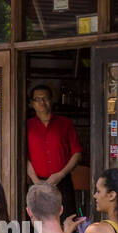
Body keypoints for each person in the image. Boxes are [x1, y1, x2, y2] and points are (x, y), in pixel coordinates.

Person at [26, 84, 84, 221]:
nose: (41, 102)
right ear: (31, 103)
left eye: (45, 98)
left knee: (67, 220)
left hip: (62, 181)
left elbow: (77, 153)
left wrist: (61, 174)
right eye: (37, 99)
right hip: (36, 181)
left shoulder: (65, 124)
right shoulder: (26, 126)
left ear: (52, 101)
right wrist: (35, 180)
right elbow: (23, 157)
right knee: (37, 223)